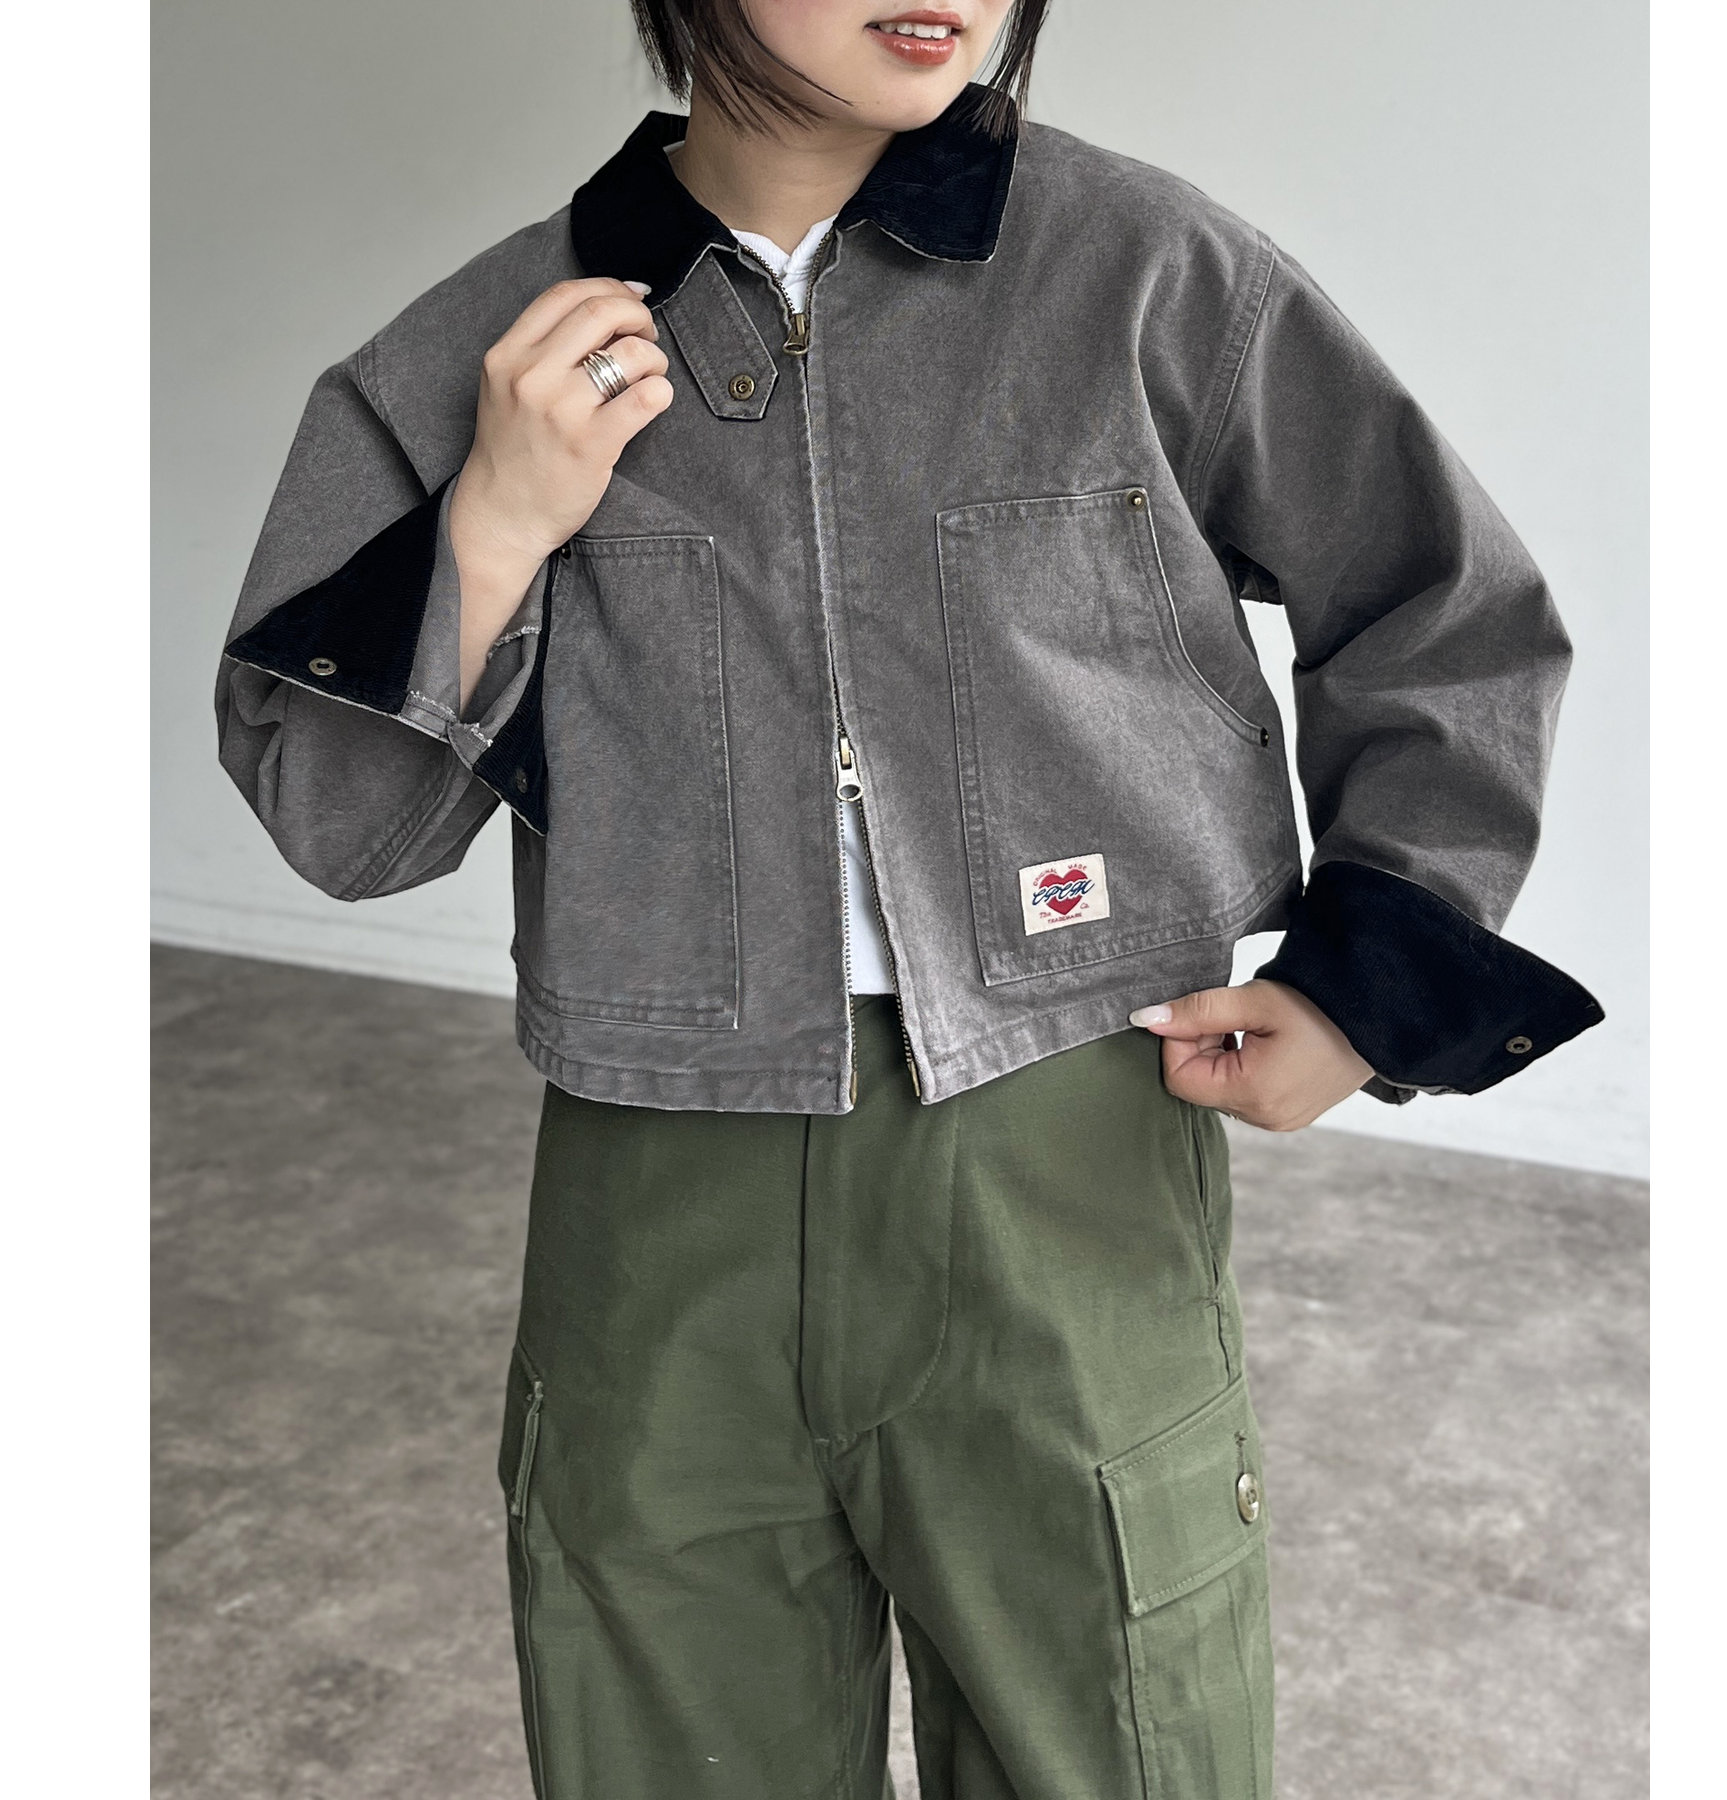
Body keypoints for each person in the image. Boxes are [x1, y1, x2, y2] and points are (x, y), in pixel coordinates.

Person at [215, 2, 1604, 1794]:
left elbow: (1444, 610)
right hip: (658, 1186)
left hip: (1067, 1142)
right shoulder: (500, 344)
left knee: (1119, 1739)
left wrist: (1367, 980)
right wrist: (495, 523)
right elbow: (342, 826)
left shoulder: (1144, 271)